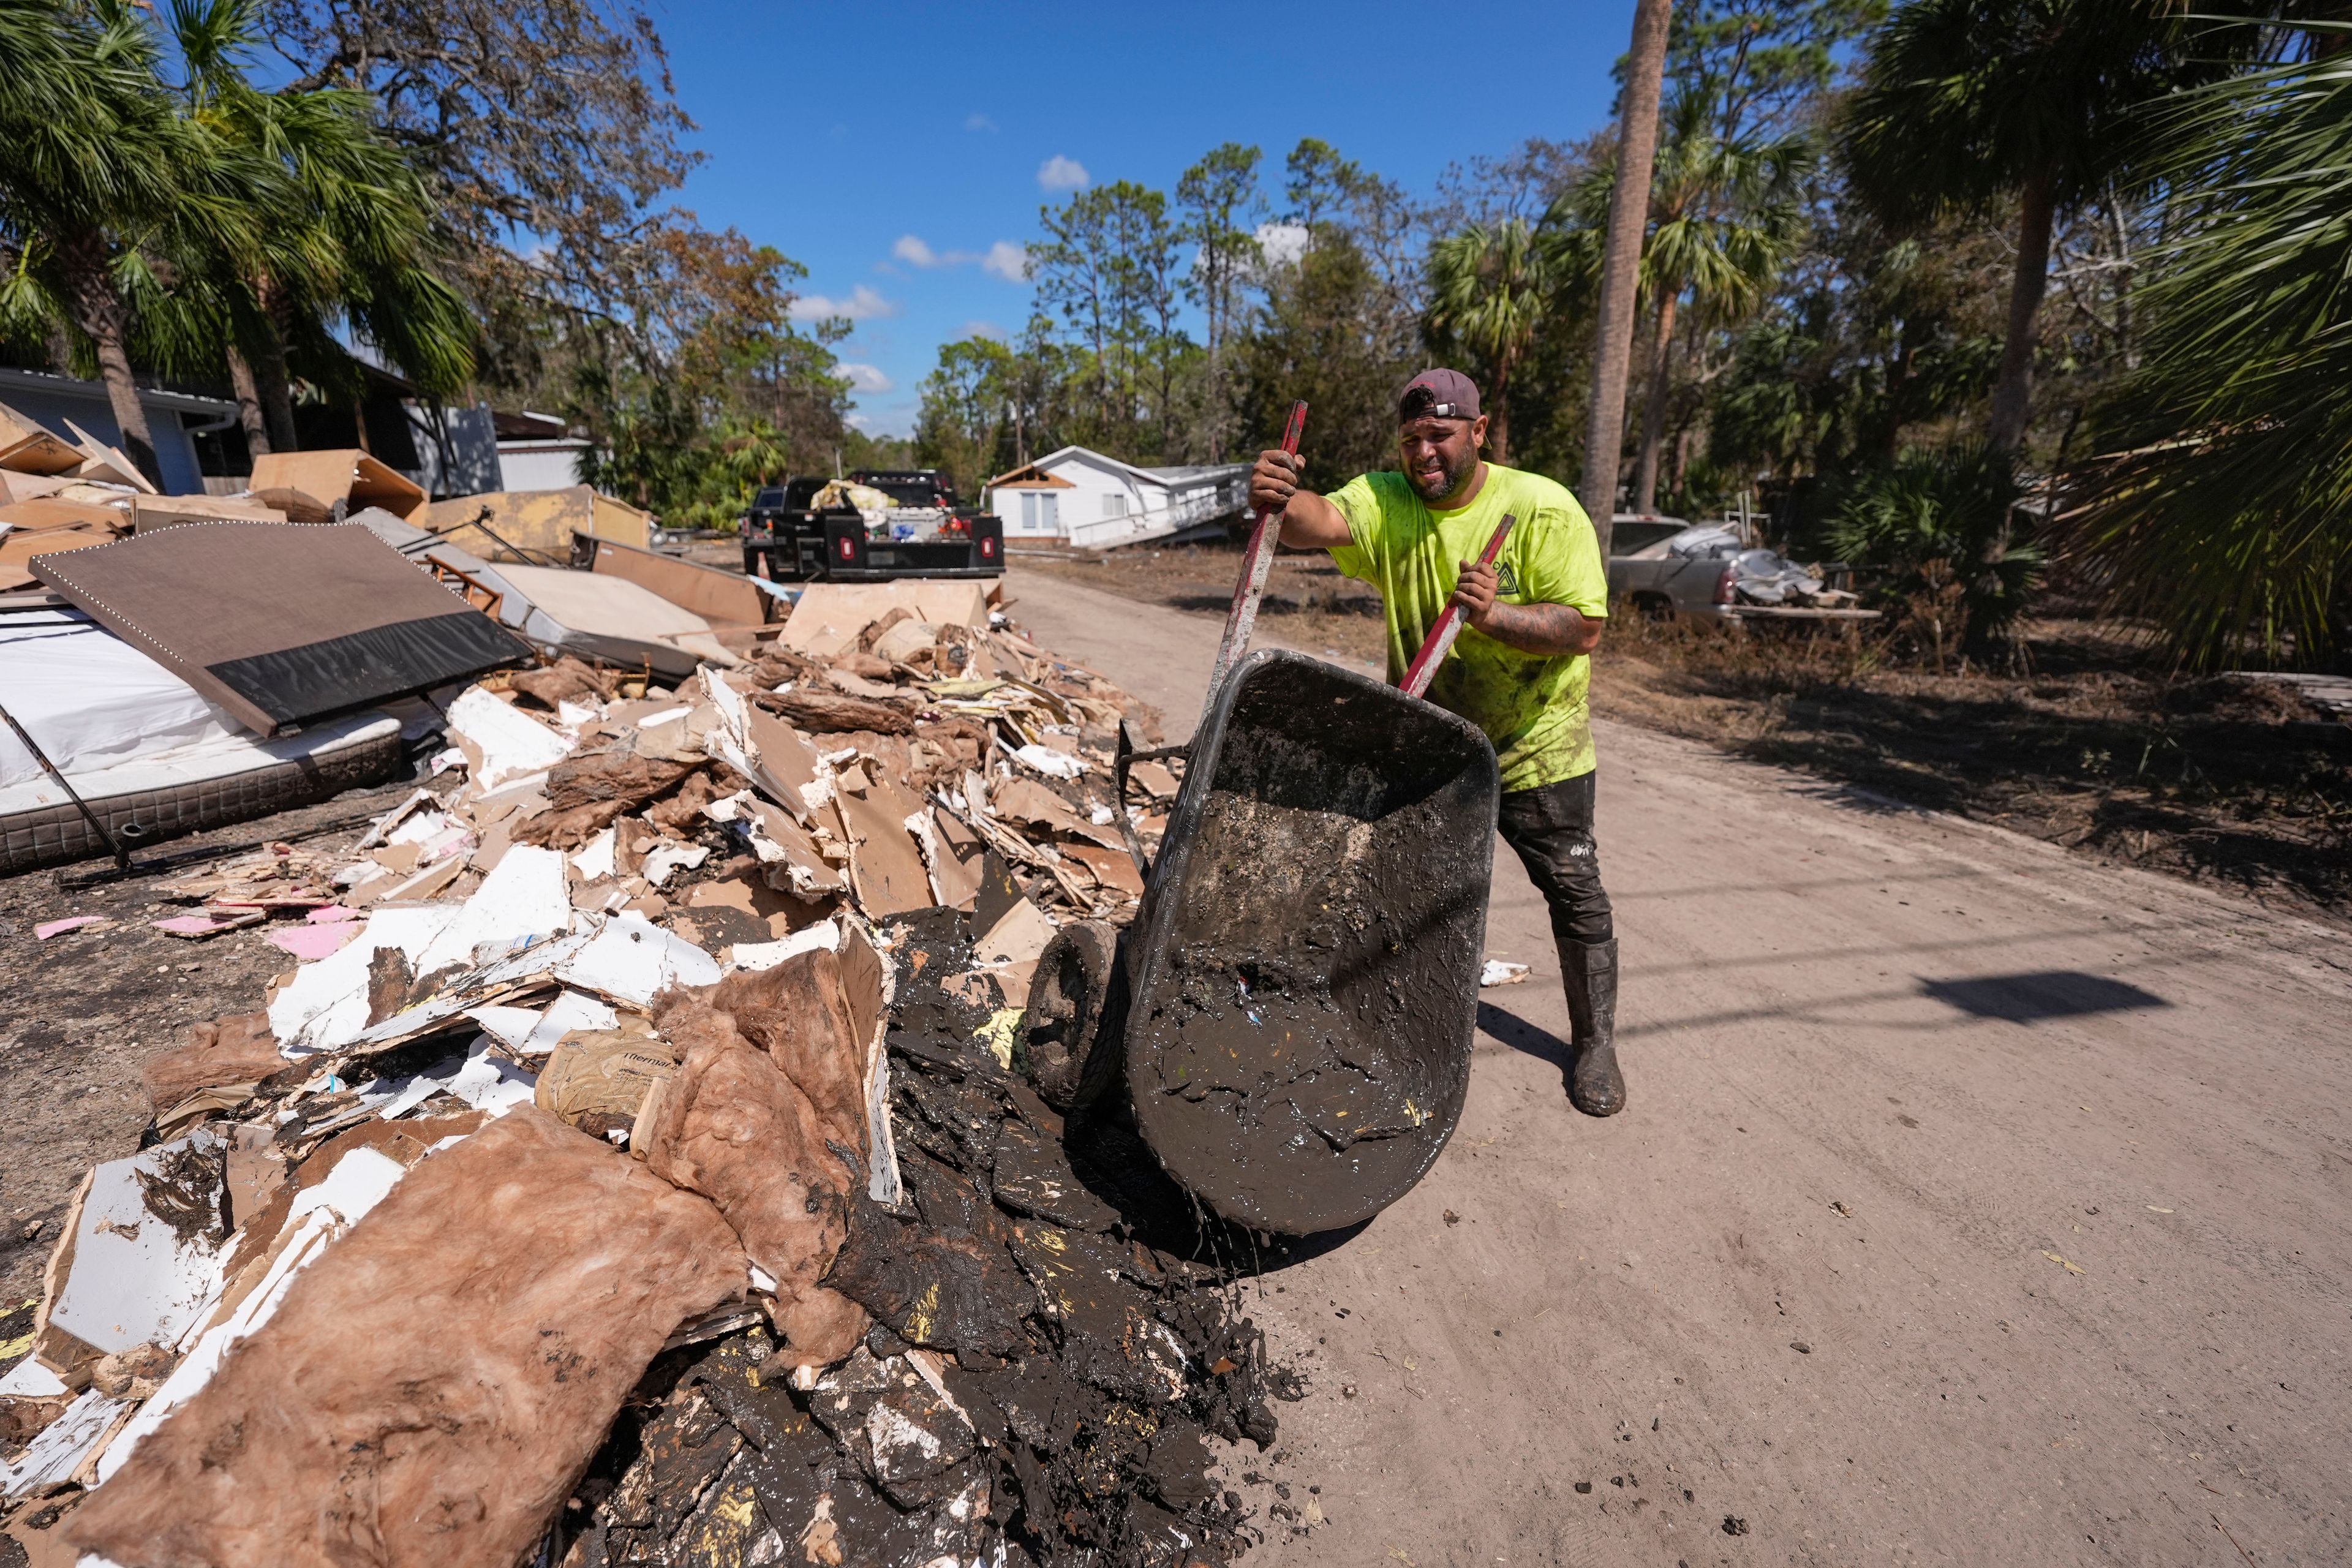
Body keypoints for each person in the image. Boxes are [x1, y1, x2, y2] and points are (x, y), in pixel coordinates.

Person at [1247, 368, 1625, 1115]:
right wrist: (1280, 497)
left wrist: (1500, 619)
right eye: (1412, 438)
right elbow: (1318, 522)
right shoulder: (1390, 502)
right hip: (1435, 743)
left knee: (1574, 891)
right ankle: (1397, 1029)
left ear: (1479, 433)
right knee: (1410, 890)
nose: (1424, 453)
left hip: (1536, 746)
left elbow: (1585, 627)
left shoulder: (1541, 508)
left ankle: (1595, 1044)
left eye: (1441, 436)